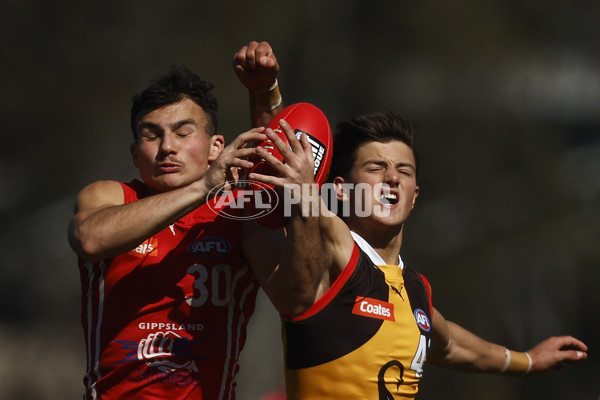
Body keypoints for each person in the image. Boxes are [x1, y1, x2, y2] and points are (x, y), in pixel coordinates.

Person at [249, 110, 589, 399]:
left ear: (414, 196)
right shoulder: (335, 248)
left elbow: (454, 345)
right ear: (342, 189)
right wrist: (266, 93)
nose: (392, 178)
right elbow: (284, 160)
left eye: (404, 171)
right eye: (375, 168)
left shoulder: (415, 290)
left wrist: (527, 361)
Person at [67, 41, 294, 399]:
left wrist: (264, 94)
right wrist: (205, 186)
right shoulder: (109, 197)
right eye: (151, 134)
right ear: (134, 154)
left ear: (216, 147)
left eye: (183, 132)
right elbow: (89, 240)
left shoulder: (239, 215)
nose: (167, 146)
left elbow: (295, 294)